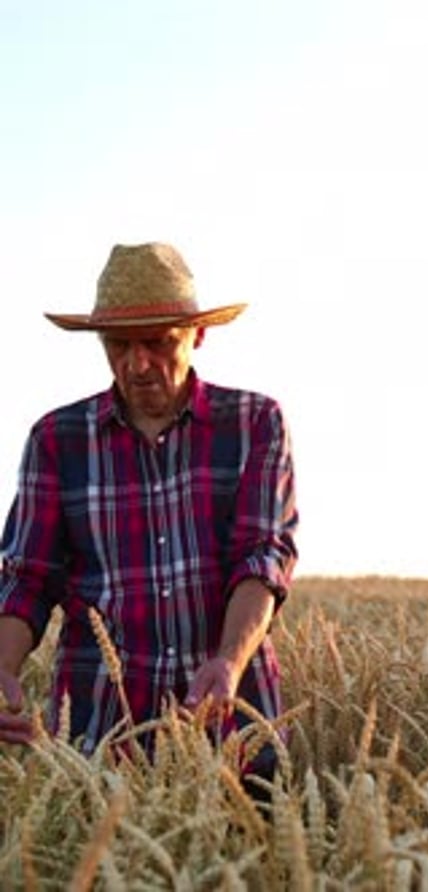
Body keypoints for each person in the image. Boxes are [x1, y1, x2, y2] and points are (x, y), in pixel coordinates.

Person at [0, 242, 298, 791]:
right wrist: (3, 667)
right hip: (97, 737)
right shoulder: (56, 439)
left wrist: (229, 661)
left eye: (158, 342)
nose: (137, 364)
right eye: (118, 344)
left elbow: (263, 556)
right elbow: (27, 576)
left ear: (197, 333)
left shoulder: (255, 423)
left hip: (231, 727)